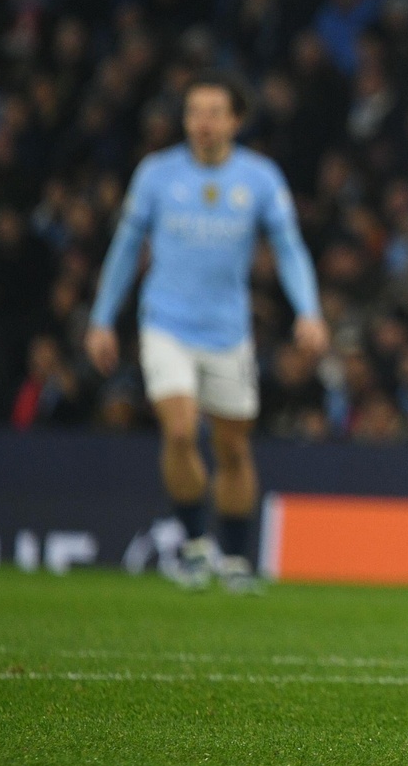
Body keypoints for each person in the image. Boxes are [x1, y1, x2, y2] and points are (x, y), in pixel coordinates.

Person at [87, 72, 328, 592]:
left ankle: (236, 559)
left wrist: (308, 312)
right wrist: (102, 319)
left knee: (233, 449)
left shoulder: (260, 179)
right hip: (165, 325)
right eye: (195, 111)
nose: (203, 122)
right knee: (178, 429)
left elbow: (289, 251)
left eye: (215, 112)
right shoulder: (156, 175)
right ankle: (195, 546)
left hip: (228, 333)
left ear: (236, 121)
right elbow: (126, 250)